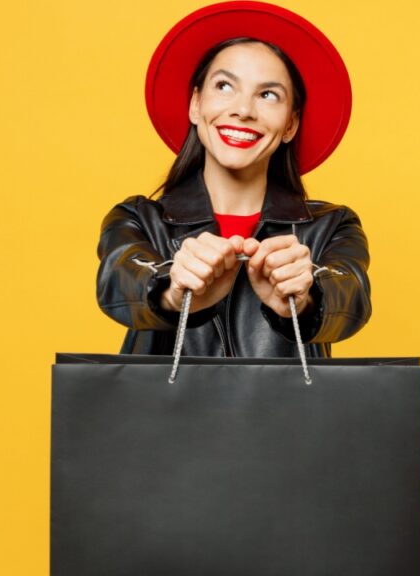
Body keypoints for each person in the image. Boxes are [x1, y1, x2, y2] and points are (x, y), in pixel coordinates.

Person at [96, 1, 371, 358]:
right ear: (195, 104)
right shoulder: (136, 220)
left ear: (290, 124)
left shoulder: (332, 226)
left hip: (287, 414)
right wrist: (172, 289)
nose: (243, 110)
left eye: (268, 95)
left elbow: (351, 294)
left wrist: (306, 296)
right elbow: (118, 280)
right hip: (162, 415)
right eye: (225, 86)